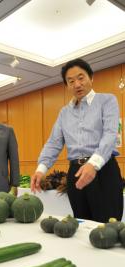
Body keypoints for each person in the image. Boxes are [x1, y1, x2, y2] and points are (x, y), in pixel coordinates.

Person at [31, 58, 123, 223]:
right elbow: (54, 142)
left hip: (103, 171)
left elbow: (110, 134)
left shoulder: (107, 101)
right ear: (67, 85)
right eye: (71, 81)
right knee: (81, 226)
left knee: (109, 227)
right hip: (75, 172)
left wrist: (93, 164)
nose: (77, 84)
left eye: (81, 78)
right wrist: (41, 169)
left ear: (91, 77)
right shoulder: (64, 113)